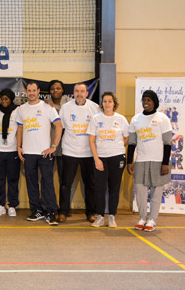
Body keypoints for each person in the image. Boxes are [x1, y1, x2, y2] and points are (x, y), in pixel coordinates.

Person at [17, 81, 62, 226]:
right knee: (31, 183)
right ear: (26, 91)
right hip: (28, 153)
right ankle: (36, 211)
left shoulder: (47, 107)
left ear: (38, 91)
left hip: (45, 153)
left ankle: (51, 212)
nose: (31, 93)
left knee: (48, 183)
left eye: (33, 90)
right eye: (29, 90)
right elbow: (20, 129)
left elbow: (59, 125)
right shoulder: (21, 109)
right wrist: (19, 146)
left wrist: (54, 146)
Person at [127, 90, 173, 232]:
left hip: (158, 161)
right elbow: (132, 143)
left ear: (154, 102)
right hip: (141, 160)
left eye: (149, 100)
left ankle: (152, 220)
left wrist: (165, 163)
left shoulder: (162, 118)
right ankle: (142, 218)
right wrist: (130, 161)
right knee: (140, 191)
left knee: (156, 192)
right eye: (144, 100)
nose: (146, 103)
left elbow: (167, 143)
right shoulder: (135, 119)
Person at [58, 83, 100, 223]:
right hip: (70, 151)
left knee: (90, 184)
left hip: (88, 152)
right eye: (77, 91)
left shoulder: (95, 108)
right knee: (65, 184)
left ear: (87, 93)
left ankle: (91, 213)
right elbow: (60, 128)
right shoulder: (66, 108)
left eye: (82, 91)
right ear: (73, 93)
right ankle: (63, 212)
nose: (79, 94)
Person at [88, 92, 129, 228]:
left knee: (114, 188)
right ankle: (100, 216)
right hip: (101, 158)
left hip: (117, 158)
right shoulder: (95, 118)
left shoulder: (121, 119)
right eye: (105, 101)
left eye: (109, 101)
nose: (107, 104)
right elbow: (91, 140)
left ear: (114, 103)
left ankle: (112, 216)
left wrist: (118, 148)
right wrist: (96, 159)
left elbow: (127, 137)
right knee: (99, 188)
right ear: (102, 103)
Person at [0, 88, 20, 217]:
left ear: (11, 99)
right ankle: (1, 205)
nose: (4, 101)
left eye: (6, 99)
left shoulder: (17, 111)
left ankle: (12, 205)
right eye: (2, 99)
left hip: (12, 150)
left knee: (13, 179)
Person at [47, 80, 70, 187]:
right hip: (49, 145)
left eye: (58, 88)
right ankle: (47, 203)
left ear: (63, 90)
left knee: (64, 178)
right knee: (46, 177)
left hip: (66, 146)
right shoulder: (45, 104)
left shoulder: (70, 104)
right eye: (52, 89)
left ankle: (63, 204)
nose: (55, 91)